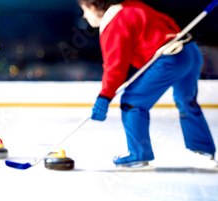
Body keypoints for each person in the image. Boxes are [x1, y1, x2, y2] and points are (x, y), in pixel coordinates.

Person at [78, 0, 217, 169]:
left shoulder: (113, 22)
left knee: (132, 102)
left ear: (94, 6)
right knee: (187, 101)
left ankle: (138, 155)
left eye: (85, 10)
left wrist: (105, 96)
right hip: (189, 53)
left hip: (169, 59)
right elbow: (166, 23)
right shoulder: (132, 5)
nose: (84, 15)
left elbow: (115, 66)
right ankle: (204, 153)